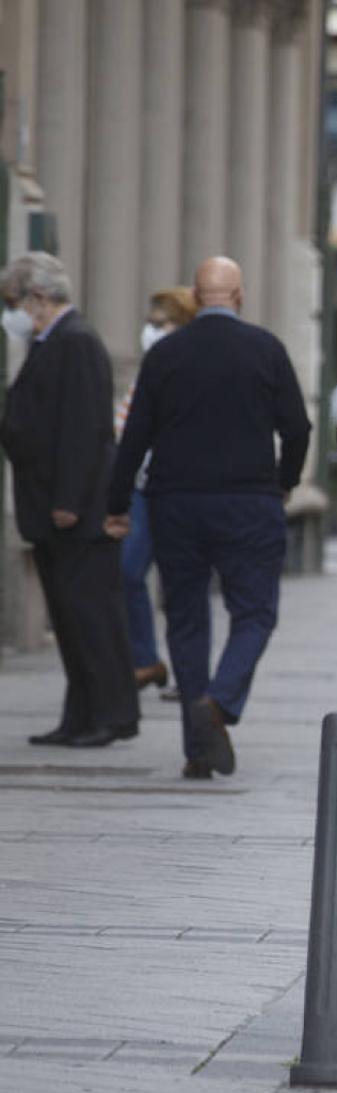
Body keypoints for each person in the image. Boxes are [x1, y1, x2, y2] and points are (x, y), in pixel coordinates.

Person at [108, 256, 312, 779]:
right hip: (248, 502)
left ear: (197, 298)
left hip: (174, 503)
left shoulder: (166, 354)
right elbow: (297, 427)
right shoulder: (265, 349)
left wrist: (114, 505)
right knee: (255, 613)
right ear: (239, 297)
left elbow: (134, 438)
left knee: (186, 619)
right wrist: (284, 481)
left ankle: (197, 750)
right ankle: (219, 703)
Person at [0, 253, 141, 747]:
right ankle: (80, 715)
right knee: (70, 617)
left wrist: (69, 500)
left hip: (73, 511)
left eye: (15, 302)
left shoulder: (75, 341)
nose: (13, 313)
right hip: (51, 507)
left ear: (38, 298)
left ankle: (109, 714)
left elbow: (85, 429)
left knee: (90, 616)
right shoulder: (52, 341)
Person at [118, 286, 199, 697]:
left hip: (176, 488)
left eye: (160, 324)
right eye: (149, 324)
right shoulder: (148, 368)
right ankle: (146, 658)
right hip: (141, 488)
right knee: (129, 570)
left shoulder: (186, 369)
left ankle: (188, 674)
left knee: (180, 586)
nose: (150, 331)